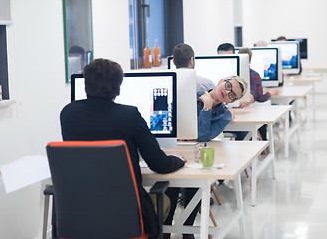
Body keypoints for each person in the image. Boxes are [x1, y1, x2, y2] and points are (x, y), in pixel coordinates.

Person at [60, 58, 186, 239]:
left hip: (79, 214)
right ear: (118, 88)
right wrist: (177, 159)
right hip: (126, 216)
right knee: (163, 200)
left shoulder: (68, 113)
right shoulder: (129, 115)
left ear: (86, 85)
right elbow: (160, 165)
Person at [163, 76, 248, 239]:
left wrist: (207, 107)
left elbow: (201, 136)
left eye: (232, 95)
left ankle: (187, 229)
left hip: (196, 154)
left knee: (195, 181)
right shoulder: (189, 96)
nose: (227, 91)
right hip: (173, 149)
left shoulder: (224, 116)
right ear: (221, 81)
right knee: (171, 181)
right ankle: (166, 229)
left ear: (231, 101)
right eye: (228, 85)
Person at [235, 48, 279, 140]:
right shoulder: (254, 74)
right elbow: (260, 98)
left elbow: (255, 96)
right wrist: (269, 93)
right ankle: (263, 144)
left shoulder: (250, 75)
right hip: (245, 113)